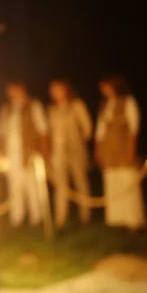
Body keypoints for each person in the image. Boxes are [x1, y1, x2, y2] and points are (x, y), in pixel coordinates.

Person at [95, 75, 145, 231]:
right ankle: (117, 220)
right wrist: (98, 150)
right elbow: (100, 131)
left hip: (123, 148)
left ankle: (133, 220)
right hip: (109, 150)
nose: (104, 90)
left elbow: (133, 129)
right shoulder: (104, 105)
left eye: (107, 86)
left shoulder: (128, 102)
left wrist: (131, 151)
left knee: (127, 181)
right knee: (112, 181)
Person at [0, 80, 50, 227]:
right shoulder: (7, 109)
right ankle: (17, 218)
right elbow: (1, 133)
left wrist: (43, 152)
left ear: (21, 90)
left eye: (13, 90)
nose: (10, 94)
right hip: (11, 155)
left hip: (29, 153)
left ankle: (36, 218)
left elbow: (43, 131)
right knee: (14, 187)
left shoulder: (33, 106)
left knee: (31, 186)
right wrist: (1, 153)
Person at [48, 79, 94, 228]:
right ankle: (60, 218)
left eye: (58, 89)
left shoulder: (76, 106)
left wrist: (78, 142)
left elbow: (87, 128)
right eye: (53, 91)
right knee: (61, 186)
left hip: (76, 151)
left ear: (65, 90)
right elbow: (50, 132)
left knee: (81, 182)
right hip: (59, 153)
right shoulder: (52, 110)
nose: (55, 93)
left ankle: (85, 215)